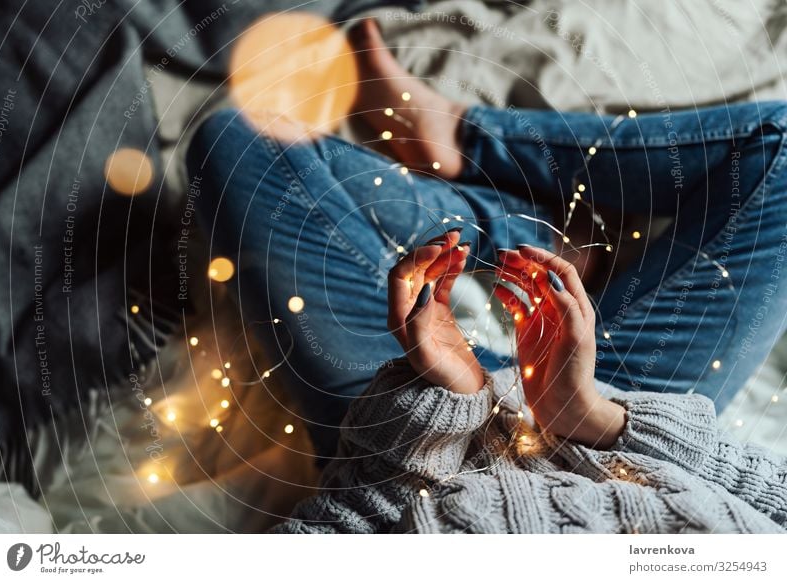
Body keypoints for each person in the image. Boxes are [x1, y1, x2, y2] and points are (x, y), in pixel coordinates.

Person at [186, 20, 787, 531]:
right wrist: (600, 420)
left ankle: (527, 227)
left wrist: (439, 410)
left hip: (407, 439)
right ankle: (483, 162)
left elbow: (340, 523)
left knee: (240, 145)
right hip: (621, 408)